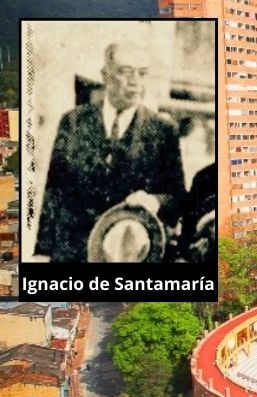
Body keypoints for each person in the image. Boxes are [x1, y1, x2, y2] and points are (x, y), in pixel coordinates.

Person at [34, 41, 185, 262]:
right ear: (105, 75)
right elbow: (55, 190)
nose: (134, 81)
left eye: (142, 73)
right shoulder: (74, 122)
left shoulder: (163, 131)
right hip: (72, 254)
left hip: (126, 256)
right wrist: (42, 251)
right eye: (125, 72)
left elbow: (178, 198)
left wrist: (154, 201)